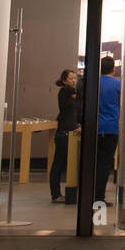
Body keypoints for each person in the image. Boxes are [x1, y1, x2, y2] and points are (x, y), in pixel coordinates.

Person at [50, 68, 81, 202]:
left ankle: (56, 194)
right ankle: (56, 195)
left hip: (66, 131)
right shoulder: (67, 91)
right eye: (71, 78)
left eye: (75, 78)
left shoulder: (67, 92)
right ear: (64, 81)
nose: (74, 81)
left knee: (59, 164)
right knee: (58, 164)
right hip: (64, 133)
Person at [96, 55, 121, 206]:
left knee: (95, 161)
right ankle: (99, 197)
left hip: (96, 128)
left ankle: (90, 194)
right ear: (113, 68)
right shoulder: (118, 85)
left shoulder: (94, 83)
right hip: (111, 128)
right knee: (105, 164)